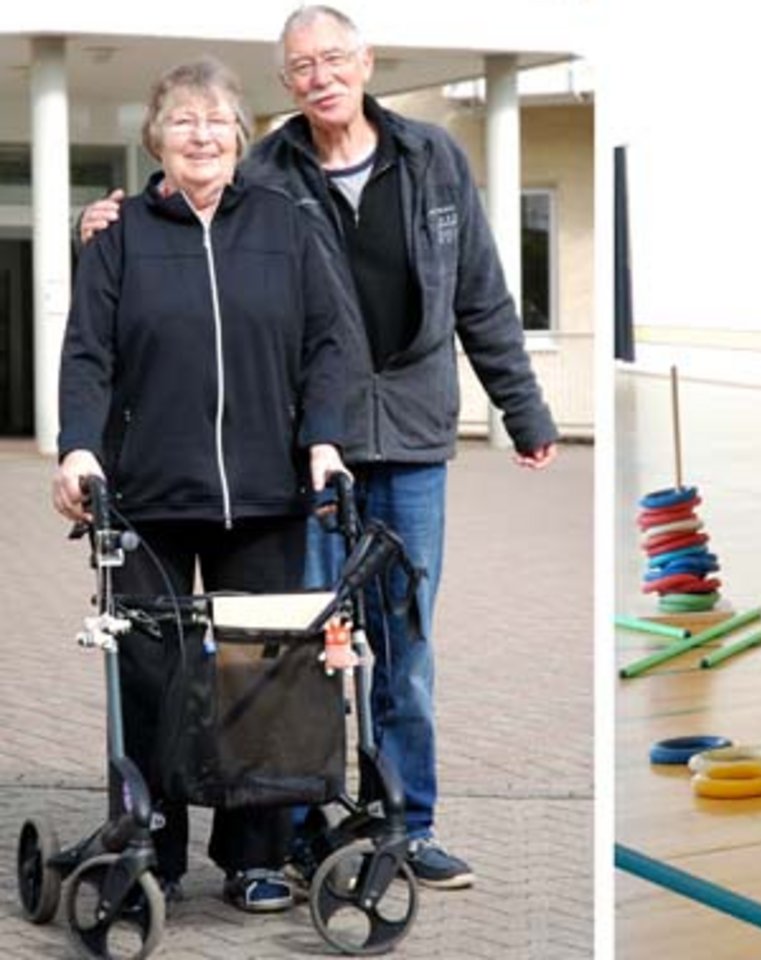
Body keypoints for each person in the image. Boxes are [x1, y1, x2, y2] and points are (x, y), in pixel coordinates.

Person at [80, 4, 560, 889]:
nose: (321, 76)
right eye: (301, 66)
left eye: (335, 58)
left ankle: (406, 824)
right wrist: (114, 222)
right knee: (295, 648)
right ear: (285, 84)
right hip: (308, 451)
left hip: (411, 434)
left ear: (367, 62)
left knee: (402, 644)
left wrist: (523, 411)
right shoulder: (264, 167)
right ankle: (291, 831)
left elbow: (481, 293)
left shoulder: (432, 159)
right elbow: (189, 212)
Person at [55, 57, 350, 913]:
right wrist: (80, 450)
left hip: (265, 496)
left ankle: (255, 857)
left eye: (217, 119)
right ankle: (153, 850)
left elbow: (327, 345)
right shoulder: (119, 237)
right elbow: (88, 357)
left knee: (259, 678)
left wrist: (323, 442)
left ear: (240, 136)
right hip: (147, 497)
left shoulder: (285, 226)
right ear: (156, 137)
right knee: (151, 678)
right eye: (183, 120)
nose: (201, 134)